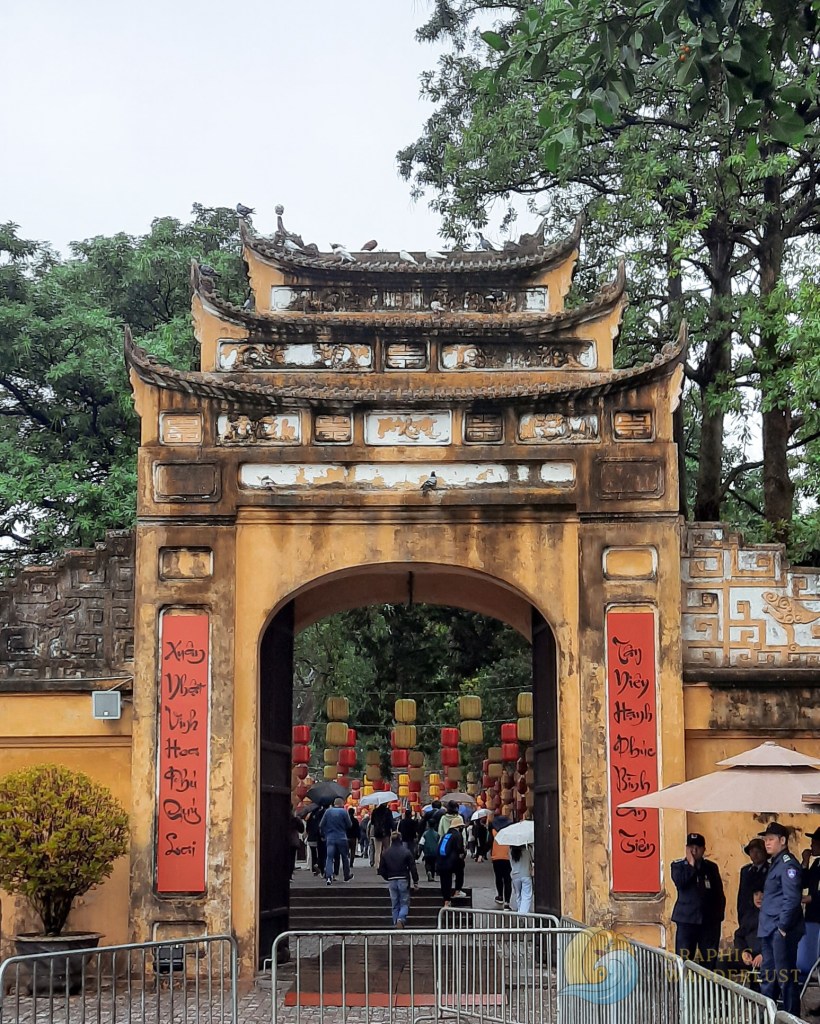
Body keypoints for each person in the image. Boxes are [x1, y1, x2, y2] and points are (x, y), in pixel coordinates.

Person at [758, 821, 805, 1014]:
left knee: (786, 979)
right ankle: (768, 1017)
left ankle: (791, 1017)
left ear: (782, 840)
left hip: (780, 929)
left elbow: (792, 898)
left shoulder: (788, 864)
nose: (767, 843)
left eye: (770, 839)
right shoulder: (776, 863)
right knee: (768, 977)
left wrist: (783, 927)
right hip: (769, 928)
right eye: (765, 839)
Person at [671, 832, 725, 967]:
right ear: (686, 848)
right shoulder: (678, 866)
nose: (694, 851)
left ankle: (707, 987)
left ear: (704, 849)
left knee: (709, 961)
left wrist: (718, 917)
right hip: (686, 921)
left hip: (708, 922)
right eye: (691, 847)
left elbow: (718, 893)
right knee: (683, 960)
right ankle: (683, 987)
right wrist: (690, 865)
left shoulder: (711, 867)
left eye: (698, 847)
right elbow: (680, 883)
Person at [378, 831, 419, 928]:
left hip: (392, 879)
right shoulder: (406, 851)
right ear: (400, 839)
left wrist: (387, 877)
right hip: (403, 878)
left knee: (395, 903)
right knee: (404, 902)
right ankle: (401, 918)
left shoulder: (386, 852)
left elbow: (381, 869)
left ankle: (395, 922)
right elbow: (413, 867)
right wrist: (415, 881)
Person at [798, 826, 820, 985]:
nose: (811, 846)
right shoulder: (817, 863)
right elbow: (804, 882)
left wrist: (812, 898)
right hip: (812, 917)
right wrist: (805, 863)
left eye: (815, 843)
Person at [319, 798, 354, 885]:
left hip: (330, 838)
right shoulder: (344, 812)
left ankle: (328, 877)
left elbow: (321, 825)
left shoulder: (328, 812)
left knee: (329, 857)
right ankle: (346, 876)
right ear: (342, 804)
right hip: (342, 837)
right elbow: (350, 825)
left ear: (334, 803)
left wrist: (325, 833)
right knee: (345, 857)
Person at [738, 837, 770, 929]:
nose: (755, 855)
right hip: (747, 917)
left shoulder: (770, 870)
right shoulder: (745, 870)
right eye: (752, 852)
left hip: (763, 919)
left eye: (758, 852)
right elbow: (741, 896)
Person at [436, 816, 467, 906]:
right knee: (460, 869)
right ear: (459, 827)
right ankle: (457, 890)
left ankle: (446, 900)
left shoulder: (446, 835)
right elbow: (460, 850)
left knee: (445, 881)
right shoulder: (457, 835)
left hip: (442, 862)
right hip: (452, 862)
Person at [489, 817, 513, 909]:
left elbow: (489, 842)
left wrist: (480, 854)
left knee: (498, 878)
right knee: (507, 879)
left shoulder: (493, 831)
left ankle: (500, 896)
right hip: (507, 857)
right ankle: (507, 902)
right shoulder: (510, 832)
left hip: (496, 857)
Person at [510, 843, 534, 915]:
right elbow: (532, 859)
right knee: (526, 896)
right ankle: (523, 914)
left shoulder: (511, 851)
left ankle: (520, 912)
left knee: (518, 895)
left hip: (515, 875)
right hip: (526, 874)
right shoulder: (527, 850)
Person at [305, 805, 325, 876]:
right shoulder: (321, 815)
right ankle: (318, 865)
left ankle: (314, 868)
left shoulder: (310, 816)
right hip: (318, 837)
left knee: (313, 853)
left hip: (311, 837)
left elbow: (307, 827)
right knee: (320, 853)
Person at [289, 812, 305, 879]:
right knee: (291, 859)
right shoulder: (295, 819)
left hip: (282, 840)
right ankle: (289, 875)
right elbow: (301, 830)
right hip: (292, 840)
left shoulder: (279, 818)